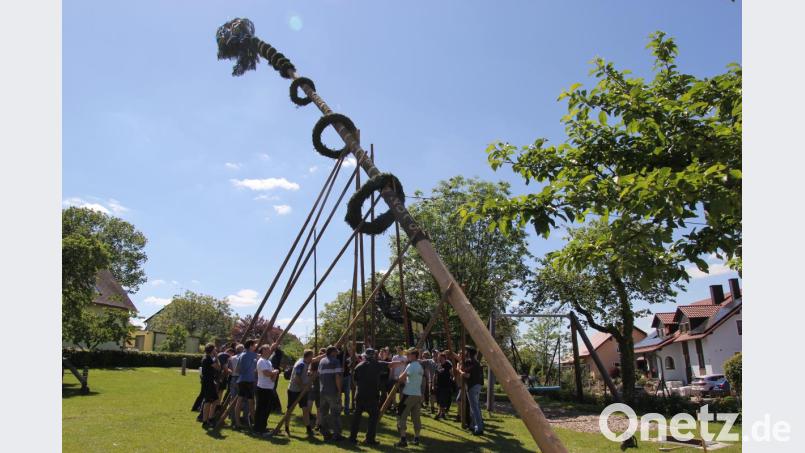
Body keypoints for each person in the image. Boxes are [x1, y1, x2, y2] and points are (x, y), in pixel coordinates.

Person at [348, 348, 386, 445]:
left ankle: (352, 438)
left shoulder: (359, 366)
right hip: (372, 396)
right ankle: (369, 439)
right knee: (373, 417)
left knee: (356, 418)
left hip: (360, 395)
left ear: (365, 355)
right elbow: (390, 364)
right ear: (374, 355)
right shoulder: (377, 364)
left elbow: (355, 380)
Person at [395, 348, 424, 447]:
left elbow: (401, 378)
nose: (407, 356)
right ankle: (416, 438)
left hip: (408, 394)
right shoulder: (420, 366)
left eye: (409, 354)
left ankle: (403, 440)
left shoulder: (411, 366)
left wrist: (398, 377)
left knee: (401, 415)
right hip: (417, 395)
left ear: (414, 355)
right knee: (416, 417)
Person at [317, 346, 344, 441]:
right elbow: (337, 377)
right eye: (336, 352)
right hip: (332, 392)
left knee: (323, 413)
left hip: (322, 391)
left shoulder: (321, 361)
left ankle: (325, 433)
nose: (337, 354)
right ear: (332, 352)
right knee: (335, 414)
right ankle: (337, 435)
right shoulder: (336, 362)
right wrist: (340, 391)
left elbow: (319, 375)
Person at [286, 349, 315, 436]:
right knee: (290, 410)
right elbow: (296, 378)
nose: (312, 358)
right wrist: (303, 387)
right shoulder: (301, 364)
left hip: (302, 391)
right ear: (308, 356)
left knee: (305, 409)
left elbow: (316, 359)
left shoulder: (305, 362)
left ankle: (308, 429)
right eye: (312, 356)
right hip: (294, 390)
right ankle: (286, 427)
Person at [254, 343, 280, 435]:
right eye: (268, 349)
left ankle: (263, 427)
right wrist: (275, 372)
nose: (270, 350)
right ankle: (257, 428)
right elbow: (266, 373)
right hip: (262, 388)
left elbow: (272, 377)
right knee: (261, 409)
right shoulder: (261, 361)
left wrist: (274, 373)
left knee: (267, 409)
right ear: (263, 350)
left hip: (269, 388)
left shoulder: (268, 362)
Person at [233, 339, 259, 430]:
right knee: (251, 402)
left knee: (239, 401)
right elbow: (264, 356)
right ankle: (255, 423)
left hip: (241, 380)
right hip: (248, 381)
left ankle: (237, 422)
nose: (255, 346)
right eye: (254, 345)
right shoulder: (252, 355)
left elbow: (236, 370)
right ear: (251, 346)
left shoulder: (241, 355)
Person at [459, 346, 484, 435]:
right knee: (475, 407)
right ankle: (473, 425)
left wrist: (460, 371)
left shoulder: (470, 362)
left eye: (465, 351)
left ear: (468, 353)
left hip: (472, 386)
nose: (464, 353)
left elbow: (467, 375)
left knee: (474, 408)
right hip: (478, 385)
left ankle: (479, 428)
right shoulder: (476, 362)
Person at [200, 343, 221, 428]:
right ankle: (206, 421)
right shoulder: (208, 359)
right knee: (208, 401)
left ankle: (209, 418)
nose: (216, 351)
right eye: (215, 349)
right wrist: (217, 357)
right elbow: (218, 367)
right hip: (208, 383)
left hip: (209, 382)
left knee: (214, 400)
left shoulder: (206, 357)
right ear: (212, 350)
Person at [434, 352, 455, 420]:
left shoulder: (448, 365)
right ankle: (442, 414)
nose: (440, 359)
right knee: (439, 399)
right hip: (439, 385)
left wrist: (452, 380)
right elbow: (436, 375)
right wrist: (433, 384)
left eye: (442, 358)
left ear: (445, 358)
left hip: (446, 385)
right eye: (439, 358)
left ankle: (439, 413)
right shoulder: (438, 365)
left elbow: (452, 374)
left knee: (443, 399)